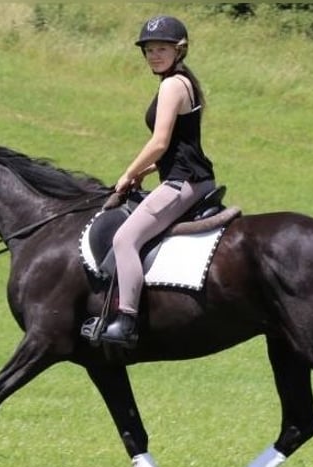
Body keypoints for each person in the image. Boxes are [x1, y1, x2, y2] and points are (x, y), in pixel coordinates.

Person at [101, 15, 216, 348]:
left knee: (124, 240)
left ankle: (126, 321)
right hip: (191, 177)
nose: (154, 55)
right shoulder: (181, 82)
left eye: (161, 49)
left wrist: (127, 172)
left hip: (183, 184)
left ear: (179, 50)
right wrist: (144, 174)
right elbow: (182, 146)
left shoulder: (172, 85)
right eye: (149, 50)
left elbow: (160, 143)